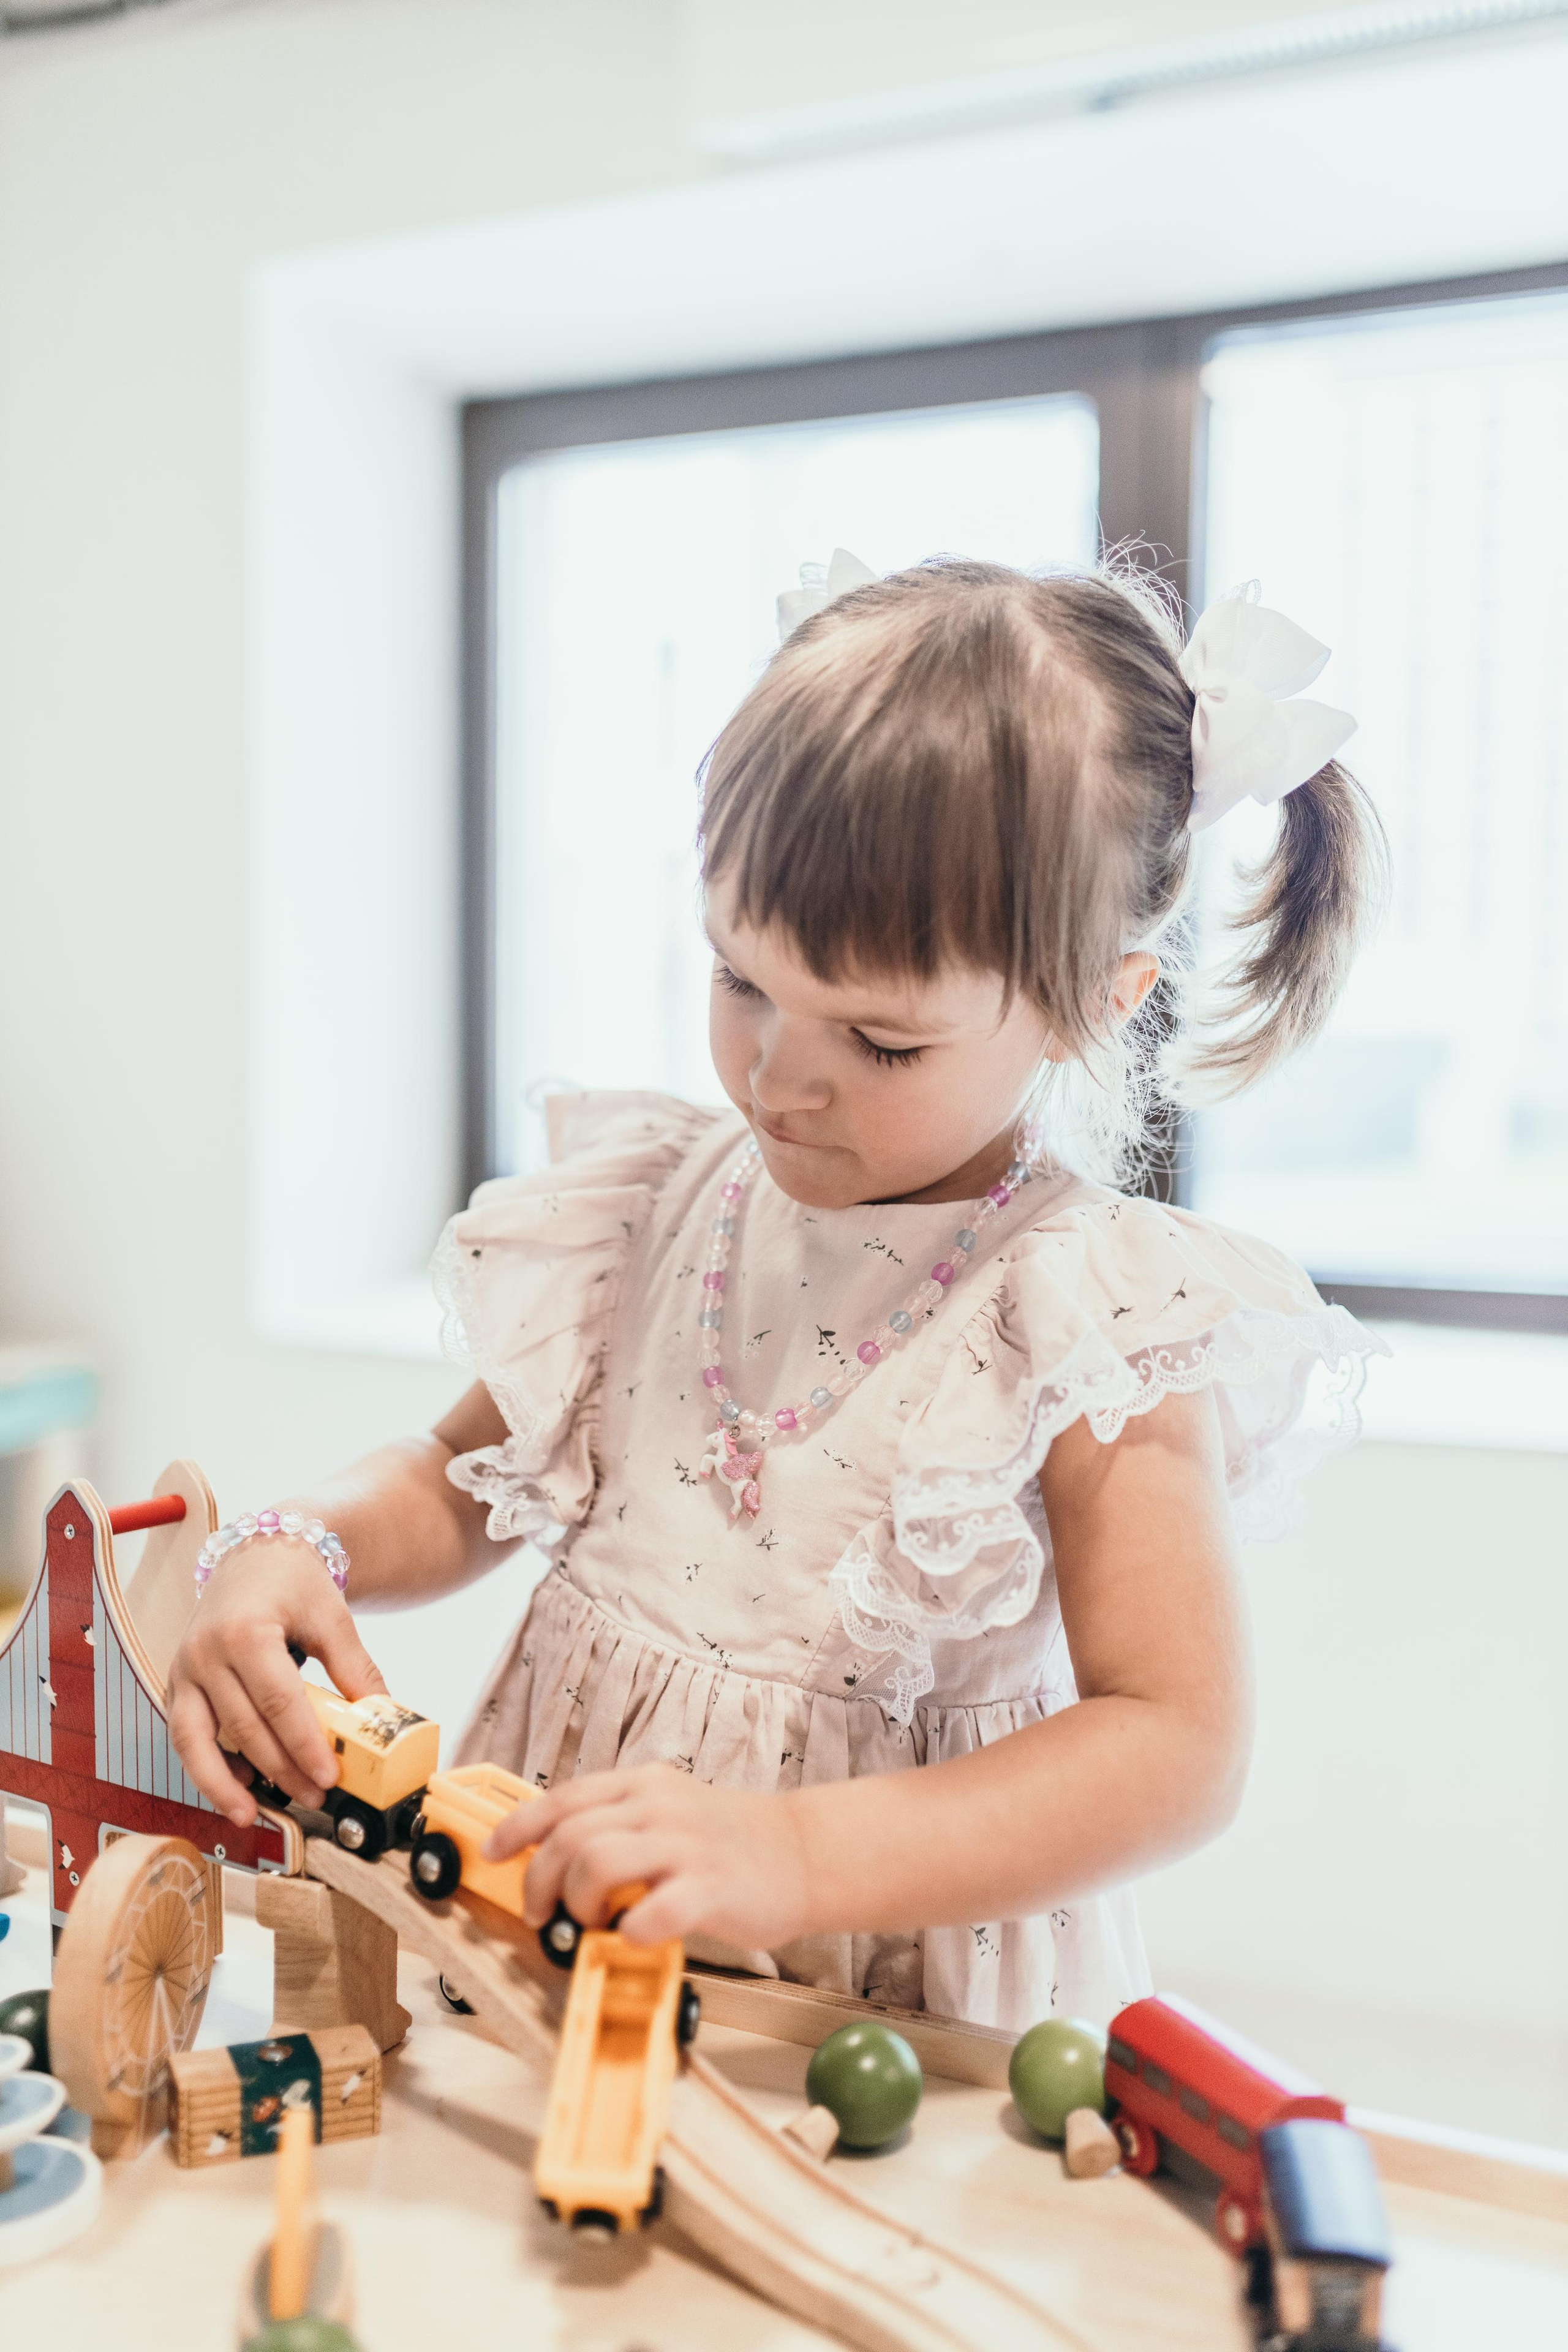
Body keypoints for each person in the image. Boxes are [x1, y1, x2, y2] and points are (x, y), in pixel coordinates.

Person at [168, 556, 1385, 2030]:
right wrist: (302, 1540)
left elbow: (1176, 1744)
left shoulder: (1083, 1314)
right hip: (566, 1937)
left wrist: (797, 1853)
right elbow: (453, 1473)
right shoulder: (655, 1206)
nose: (775, 1076)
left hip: (872, 2002)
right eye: (740, 982)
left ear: (1093, 1004)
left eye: (879, 1041)